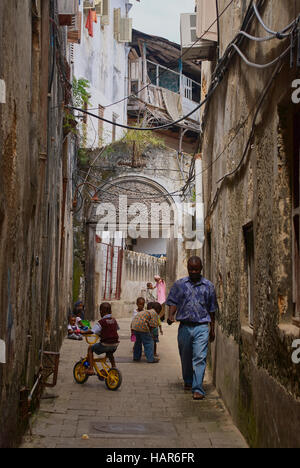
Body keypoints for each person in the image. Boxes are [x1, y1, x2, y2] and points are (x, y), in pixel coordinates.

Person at [166, 256, 218, 401]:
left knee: (200, 358)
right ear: (187, 268)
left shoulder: (209, 286)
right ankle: (188, 380)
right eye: (191, 269)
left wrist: (212, 329)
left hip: (202, 326)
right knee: (185, 356)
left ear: (201, 268)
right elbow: (173, 301)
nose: (193, 271)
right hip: (184, 327)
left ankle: (198, 388)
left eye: (196, 269)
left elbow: (212, 310)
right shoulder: (180, 285)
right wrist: (171, 315)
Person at [82, 302, 120, 375]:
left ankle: (90, 369)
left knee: (90, 348)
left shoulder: (101, 322)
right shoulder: (114, 320)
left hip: (105, 344)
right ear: (111, 312)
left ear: (101, 312)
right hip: (115, 344)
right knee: (110, 354)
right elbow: (116, 328)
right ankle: (114, 368)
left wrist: (83, 332)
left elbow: (92, 331)